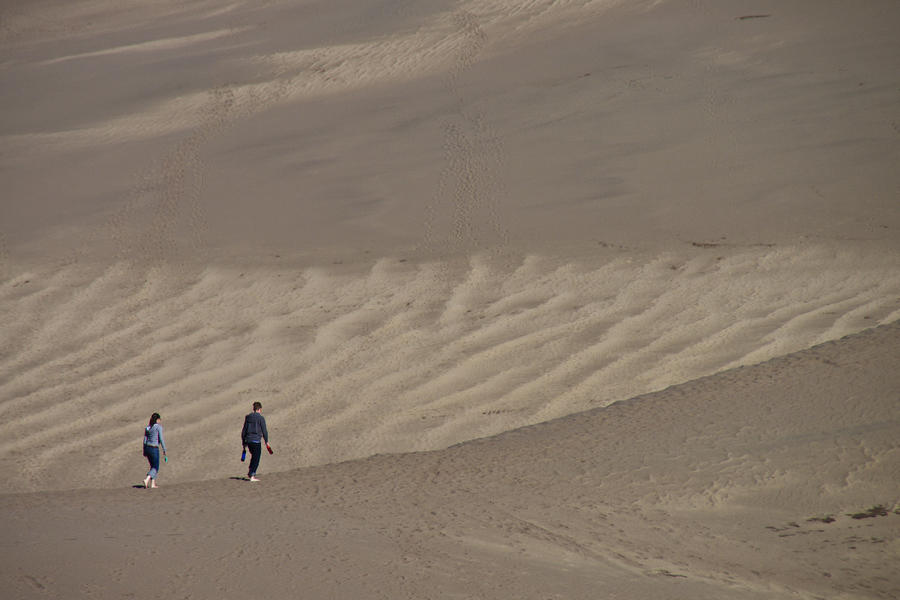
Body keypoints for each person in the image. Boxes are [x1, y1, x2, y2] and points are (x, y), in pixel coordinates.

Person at [241, 402, 270, 482]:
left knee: (254, 456)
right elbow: (264, 431)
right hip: (256, 440)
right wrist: (266, 441)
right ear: (260, 409)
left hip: (249, 441)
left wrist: (244, 442)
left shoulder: (248, 417)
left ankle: (251, 471)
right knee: (256, 458)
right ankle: (252, 474)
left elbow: (244, 430)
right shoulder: (261, 418)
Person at [142, 413, 167, 488]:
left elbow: (145, 440)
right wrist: (164, 449)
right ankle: (147, 479)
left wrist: (144, 450)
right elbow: (161, 439)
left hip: (147, 448)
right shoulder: (158, 427)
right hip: (154, 448)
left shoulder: (148, 427)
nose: (160, 421)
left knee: (152, 466)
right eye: (159, 419)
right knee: (156, 467)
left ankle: (153, 484)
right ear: (157, 420)